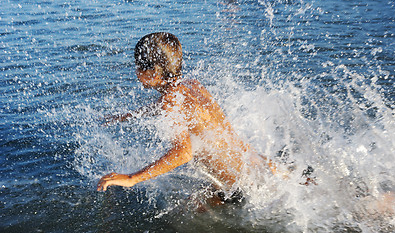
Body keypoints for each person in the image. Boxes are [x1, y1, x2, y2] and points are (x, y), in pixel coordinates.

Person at [97, 32, 273, 202]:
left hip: (237, 187)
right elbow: (167, 107)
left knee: (184, 211)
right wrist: (128, 116)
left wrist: (131, 178)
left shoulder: (170, 100)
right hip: (254, 165)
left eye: (138, 66)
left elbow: (183, 153)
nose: (135, 71)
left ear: (154, 73)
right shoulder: (190, 86)